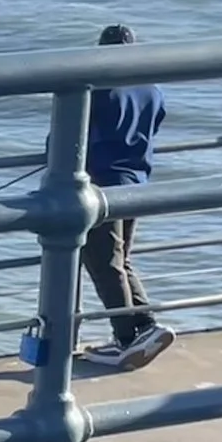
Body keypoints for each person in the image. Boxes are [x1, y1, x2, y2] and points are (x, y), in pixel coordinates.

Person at [84, 23, 175, 370]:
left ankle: (129, 335)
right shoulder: (152, 90)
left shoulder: (99, 87)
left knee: (103, 262)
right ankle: (141, 329)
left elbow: (75, 132)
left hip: (101, 182)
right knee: (120, 261)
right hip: (136, 181)